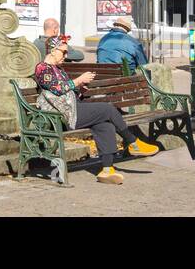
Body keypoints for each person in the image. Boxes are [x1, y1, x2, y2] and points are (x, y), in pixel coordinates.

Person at [34, 36, 158, 184]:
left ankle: (107, 170)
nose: (66, 57)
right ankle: (133, 142)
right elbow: (57, 88)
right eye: (63, 52)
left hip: (71, 109)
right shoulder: (42, 68)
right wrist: (78, 80)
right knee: (107, 109)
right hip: (60, 116)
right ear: (53, 51)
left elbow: (66, 92)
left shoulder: (57, 69)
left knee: (104, 125)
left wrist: (79, 89)